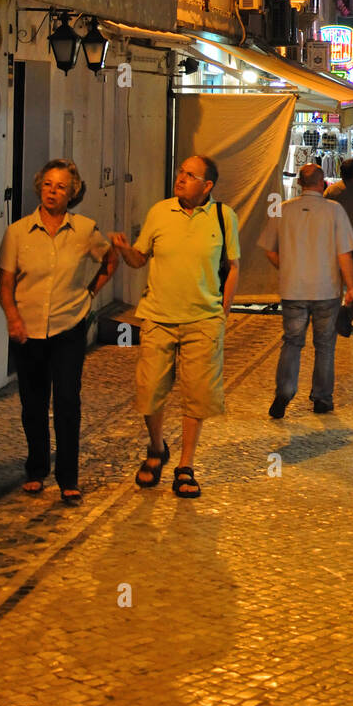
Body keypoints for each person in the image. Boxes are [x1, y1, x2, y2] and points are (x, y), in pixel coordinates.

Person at [109, 155, 240, 500]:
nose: (180, 178)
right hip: (158, 317)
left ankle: (186, 465)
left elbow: (232, 265)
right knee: (149, 391)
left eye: (190, 175)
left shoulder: (224, 217)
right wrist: (125, 251)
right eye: (181, 171)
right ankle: (156, 449)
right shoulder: (159, 212)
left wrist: (222, 312)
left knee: (196, 396)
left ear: (207, 186)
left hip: (203, 320)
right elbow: (140, 258)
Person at [0, 160, 118, 504]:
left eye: (61, 187)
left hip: (68, 327)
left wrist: (92, 291)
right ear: (40, 187)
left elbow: (110, 261)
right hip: (28, 330)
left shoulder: (85, 231)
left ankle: (68, 477)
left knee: (67, 401)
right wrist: (12, 317)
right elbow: (4, 282)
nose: (53, 191)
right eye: (48, 184)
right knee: (32, 404)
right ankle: (36, 469)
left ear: (73, 192)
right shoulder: (18, 232)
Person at [260, 164, 353, 417]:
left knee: (292, 342)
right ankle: (322, 397)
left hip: (293, 289)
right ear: (321, 182)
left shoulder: (282, 210)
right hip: (326, 289)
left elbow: (269, 250)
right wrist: (351, 288)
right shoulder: (334, 211)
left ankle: (285, 391)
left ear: (301, 183)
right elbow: (344, 253)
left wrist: (288, 267)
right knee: (324, 345)